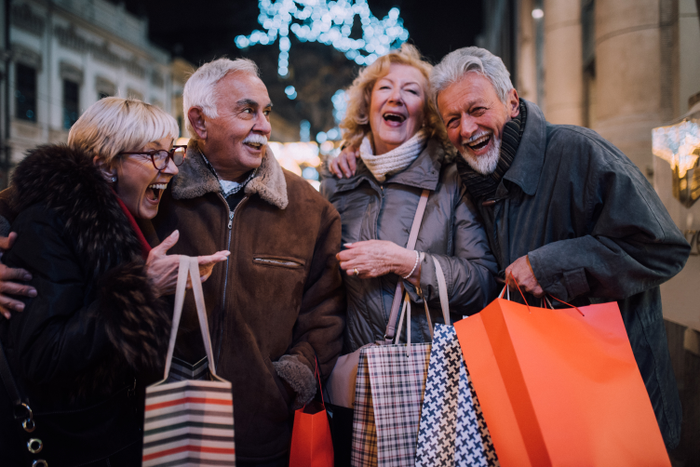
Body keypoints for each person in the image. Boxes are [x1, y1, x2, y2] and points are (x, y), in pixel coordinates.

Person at [430, 46, 690, 449]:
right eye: (452, 120)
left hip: (619, 404)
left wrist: (549, 266)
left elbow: (662, 250)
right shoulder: (471, 180)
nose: (466, 129)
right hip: (547, 402)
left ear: (511, 101)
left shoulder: (578, 151)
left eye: (477, 109)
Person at [136, 58, 345, 466]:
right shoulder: (155, 188)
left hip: (263, 436)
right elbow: (49, 202)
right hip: (165, 427)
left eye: (265, 112)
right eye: (247, 111)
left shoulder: (310, 209)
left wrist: (286, 384)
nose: (264, 125)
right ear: (199, 122)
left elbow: (326, 315)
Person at [0, 97, 229, 466]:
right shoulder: (49, 225)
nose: (171, 168)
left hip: (113, 439)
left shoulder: (124, 217)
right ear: (105, 165)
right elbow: (43, 355)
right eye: (155, 154)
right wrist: (145, 287)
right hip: (72, 448)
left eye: (172, 153)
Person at [322, 43, 498, 352]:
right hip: (353, 374)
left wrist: (408, 263)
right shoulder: (338, 181)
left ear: (428, 113)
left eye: (412, 91)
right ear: (367, 105)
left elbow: (483, 283)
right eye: (385, 87)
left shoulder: (452, 180)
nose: (395, 97)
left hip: (428, 376)